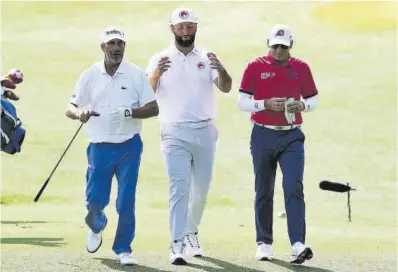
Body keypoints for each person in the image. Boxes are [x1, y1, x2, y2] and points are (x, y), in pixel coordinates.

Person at [65, 27, 159, 266]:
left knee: (126, 200)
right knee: (95, 200)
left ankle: (123, 248)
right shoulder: (90, 74)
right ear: (102, 47)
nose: (116, 48)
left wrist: (129, 111)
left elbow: (153, 107)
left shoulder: (136, 74)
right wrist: (80, 113)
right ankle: (96, 226)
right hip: (99, 147)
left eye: (120, 43)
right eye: (111, 44)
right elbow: (70, 107)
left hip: (129, 145)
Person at [146, 7, 232, 265]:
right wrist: (157, 74)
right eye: (181, 27)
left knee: (201, 190)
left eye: (190, 26)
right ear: (172, 28)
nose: (186, 32)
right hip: (174, 131)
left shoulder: (207, 57)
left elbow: (226, 87)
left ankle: (191, 231)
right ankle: (176, 243)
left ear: (195, 27)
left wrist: (222, 68)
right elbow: (147, 94)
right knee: (179, 187)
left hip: (205, 130)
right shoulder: (160, 58)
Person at [237, 24, 318, 265]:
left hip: (292, 136)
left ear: (291, 45)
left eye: (283, 46)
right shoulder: (255, 66)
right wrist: (265, 104)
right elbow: (242, 101)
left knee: (294, 186)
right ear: (268, 45)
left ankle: (297, 244)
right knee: (264, 189)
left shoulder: (301, 68)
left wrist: (303, 106)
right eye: (275, 46)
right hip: (263, 134)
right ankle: (264, 243)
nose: (279, 50)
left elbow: (313, 99)